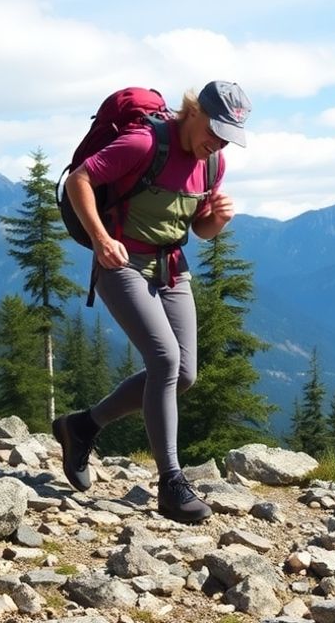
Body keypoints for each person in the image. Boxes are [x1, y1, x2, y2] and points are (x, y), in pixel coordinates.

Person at [52, 80, 251, 523]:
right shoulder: (143, 142)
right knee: (164, 360)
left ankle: (81, 426)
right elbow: (80, 180)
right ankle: (171, 483)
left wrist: (215, 222)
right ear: (194, 111)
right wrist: (101, 239)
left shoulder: (213, 163)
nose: (216, 142)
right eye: (213, 129)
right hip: (121, 261)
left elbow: (198, 229)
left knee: (185, 374)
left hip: (170, 267)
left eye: (226, 137)